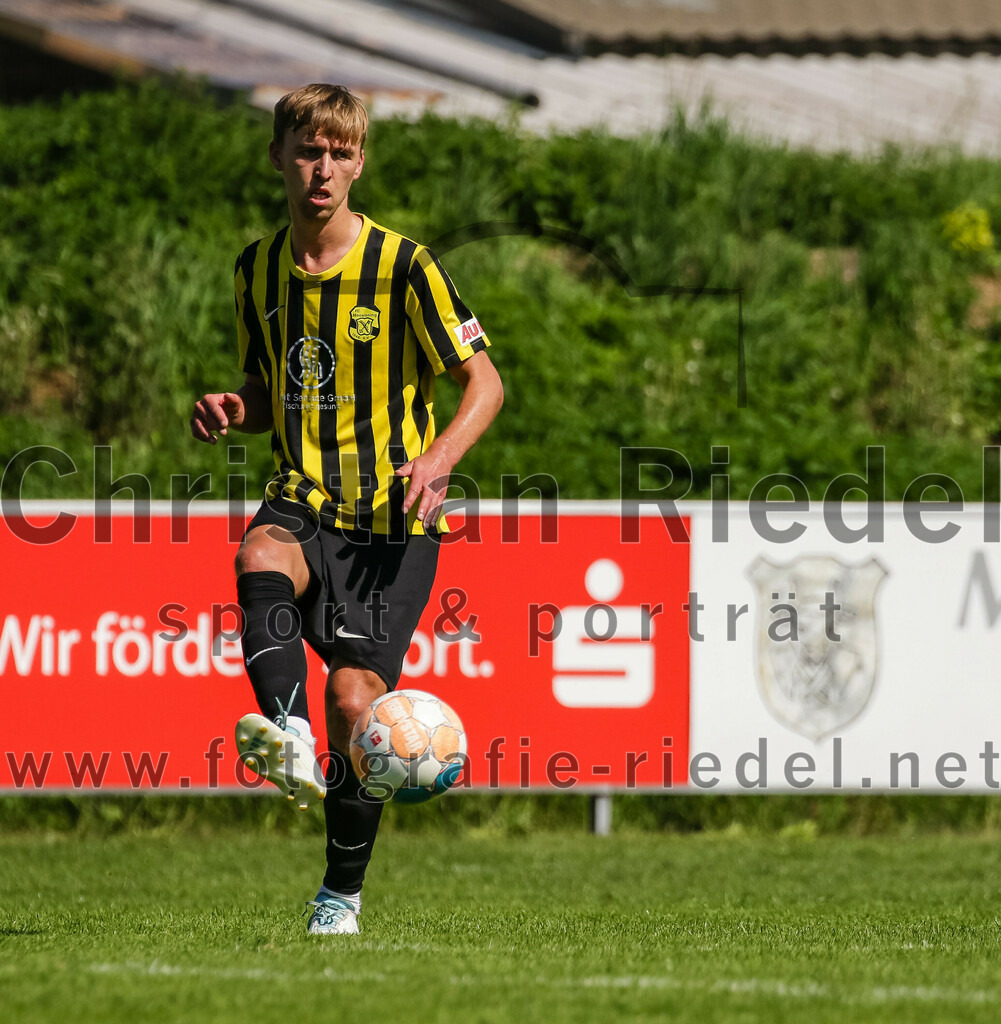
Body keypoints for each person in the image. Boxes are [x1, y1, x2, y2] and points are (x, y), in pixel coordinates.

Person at [190, 84, 503, 935]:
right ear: (279, 157)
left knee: (357, 705)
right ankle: (284, 733)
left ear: (358, 161)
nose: (320, 168)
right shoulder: (255, 268)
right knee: (259, 555)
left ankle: (339, 894)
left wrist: (440, 458)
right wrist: (236, 407)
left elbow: (485, 380)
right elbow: (270, 388)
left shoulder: (406, 265)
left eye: (337, 152)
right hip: (303, 493)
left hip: (389, 522)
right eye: (305, 149)